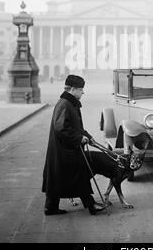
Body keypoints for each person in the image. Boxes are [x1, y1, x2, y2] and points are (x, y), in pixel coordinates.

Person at [42, 74, 106, 216]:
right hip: (65, 150)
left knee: (57, 178)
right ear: (74, 89)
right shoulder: (65, 103)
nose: (83, 92)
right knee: (79, 175)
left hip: (64, 149)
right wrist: (79, 138)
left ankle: (50, 207)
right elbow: (61, 128)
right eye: (81, 89)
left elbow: (76, 127)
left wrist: (88, 137)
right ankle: (91, 205)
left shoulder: (69, 102)